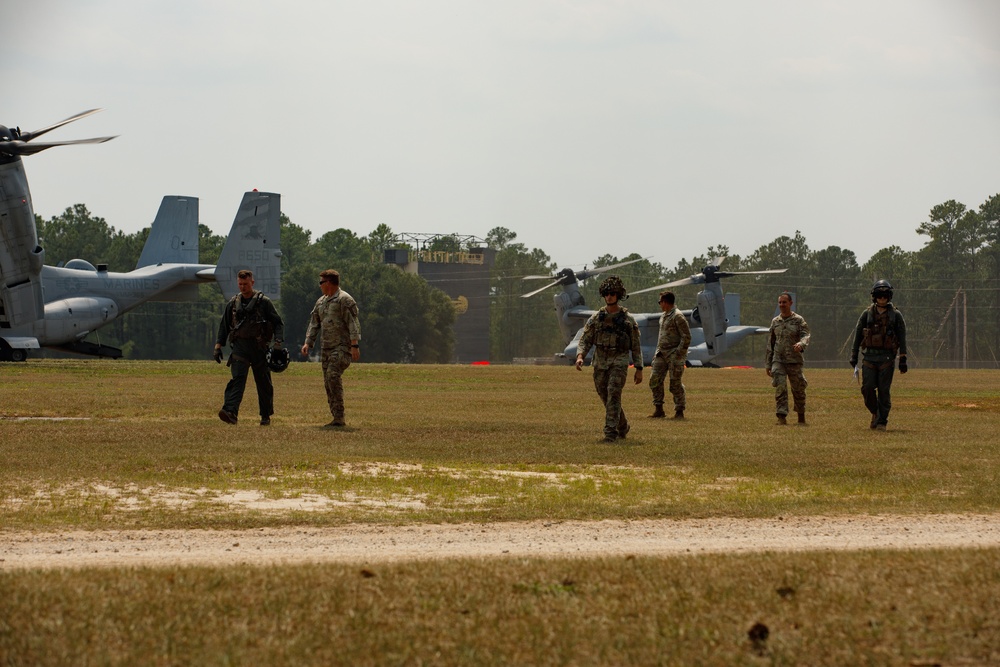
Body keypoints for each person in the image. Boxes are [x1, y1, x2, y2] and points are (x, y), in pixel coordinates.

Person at [575, 275, 644, 442]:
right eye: (606, 293)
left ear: (618, 295)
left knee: (613, 393)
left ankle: (610, 433)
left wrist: (639, 368)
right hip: (600, 362)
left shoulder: (628, 320)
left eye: (612, 293)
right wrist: (580, 356)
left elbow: (635, 345)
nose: (609, 296)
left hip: (619, 362)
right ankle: (622, 425)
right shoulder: (596, 318)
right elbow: (585, 338)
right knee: (604, 395)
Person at [214, 269, 284, 426]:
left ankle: (265, 415)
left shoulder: (264, 303)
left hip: (259, 347)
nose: (243, 287)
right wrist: (218, 346)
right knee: (237, 380)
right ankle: (230, 412)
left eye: (245, 284)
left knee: (264, 382)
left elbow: (277, 323)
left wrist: (278, 343)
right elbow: (224, 326)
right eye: (240, 284)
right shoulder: (232, 304)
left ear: (252, 283)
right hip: (240, 347)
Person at [301, 269, 361, 427]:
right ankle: (336, 417)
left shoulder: (344, 300)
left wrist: (354, 345)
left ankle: (340, 416)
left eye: (321, 282)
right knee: (328, 381)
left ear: (329, 283)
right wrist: (308, 342)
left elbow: (353, 324)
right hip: (326, 349)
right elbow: (314, 323)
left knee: (333, 375)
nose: (319, 285)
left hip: (342, 347)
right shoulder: (321, 302)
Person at [850, 279, 908, 431]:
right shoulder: (866, 314)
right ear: (874, 296)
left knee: (883, 390)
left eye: (885, 295)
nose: (882, 298)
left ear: (889, 296)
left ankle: (882, 421)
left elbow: (902, 336)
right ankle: (875, 412)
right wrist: (854, 354)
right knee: (867, 388)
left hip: (887, 358)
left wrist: (903, 358)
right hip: (869, 357)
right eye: (879, 295)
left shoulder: (896, 315)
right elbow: (857, 334)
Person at [765, 292, 810, 425]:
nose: (781, 305)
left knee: (798, 389)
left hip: (794, 360)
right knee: (780, 387)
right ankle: (781, 416)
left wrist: (801, 344)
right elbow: (770, 343)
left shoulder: (798, 320)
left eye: (784, 302)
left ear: (790, 303)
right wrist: (768, 364)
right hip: (778, 360)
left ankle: (801, 416)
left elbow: (806, 335)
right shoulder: (775, 322)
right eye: (780, 302)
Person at [648, 290, 691, 419]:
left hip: (674, 355)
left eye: (660, 301)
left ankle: (679, 411)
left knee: (675, 383)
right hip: (661, 354)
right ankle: (659, 409)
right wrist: (656, 353)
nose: (659, 304)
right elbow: (661, 337)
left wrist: (678, 353)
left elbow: (686, 337)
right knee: (654, 380)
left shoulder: (678, 316)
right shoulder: (663, 316)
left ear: (665, 302)